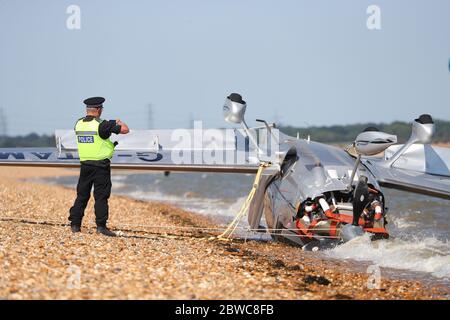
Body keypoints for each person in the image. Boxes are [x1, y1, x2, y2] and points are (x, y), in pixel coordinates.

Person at [69, 97, 129, 236]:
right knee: (101, 196)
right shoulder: (102, 125)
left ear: (87, 109)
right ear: (98, 109)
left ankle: (75, 225)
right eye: (101, 109)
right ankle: (101, 227)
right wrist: (119, 122)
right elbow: (125, 130)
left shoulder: (78, 124)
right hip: (101, 165)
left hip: (85, 164)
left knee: (82, 195)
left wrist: (109, 124)